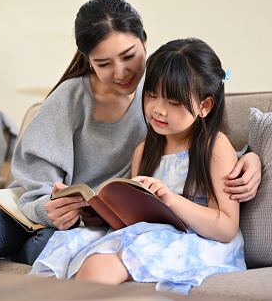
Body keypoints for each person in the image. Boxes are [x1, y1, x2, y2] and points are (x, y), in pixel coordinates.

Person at [0, 0, 260, 266]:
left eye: (129, 56)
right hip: (36, 210)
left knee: (51, 247)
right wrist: (49, 208)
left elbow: (198, 143)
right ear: (89, 62)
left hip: (94, 224)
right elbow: (34, 173)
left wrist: (250, 158)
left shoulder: (163, 92)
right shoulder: (71, 98)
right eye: (104, 63)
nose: (120, 72)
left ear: (144, 41)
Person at [29, 38, 246, 294]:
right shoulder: (144, 151)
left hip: (199, 241)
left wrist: (170, 199)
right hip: (149, 234)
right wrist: (97, 213)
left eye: (174, 103)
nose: (158, 110)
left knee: (101, 263)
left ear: (204, 106)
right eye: (152, 96)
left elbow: (226, 228)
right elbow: (134, 222)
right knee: (66, 244)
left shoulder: (214, 147)